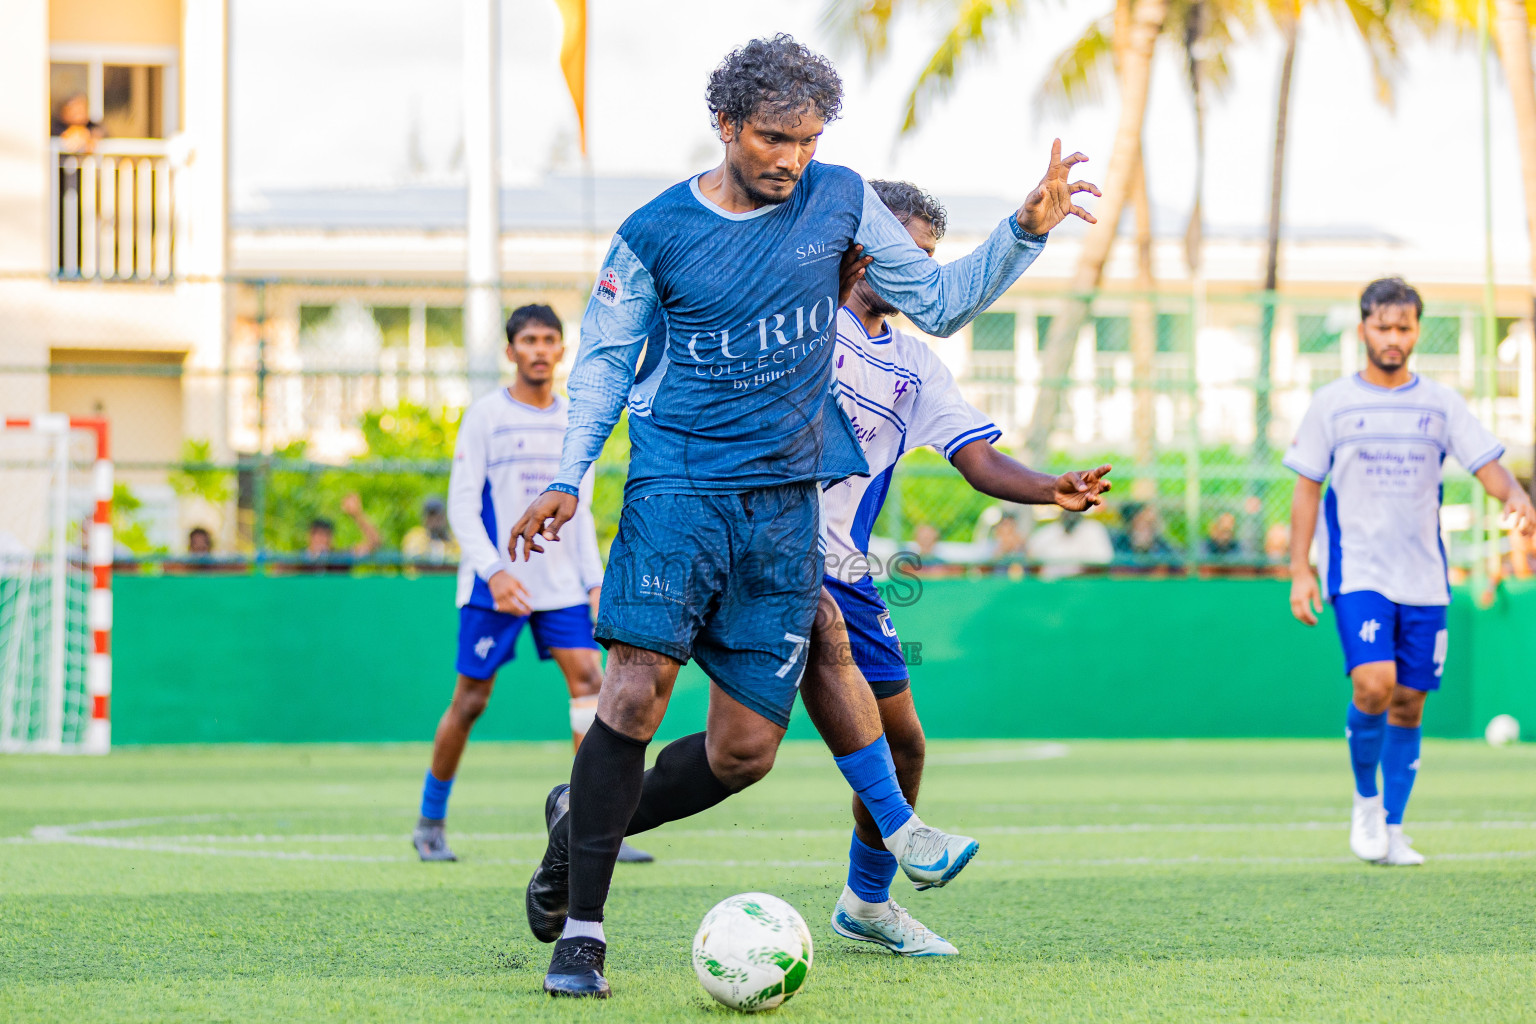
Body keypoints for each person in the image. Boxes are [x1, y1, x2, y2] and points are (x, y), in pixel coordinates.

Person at [508, 35, 1099, 998]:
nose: (792, 158)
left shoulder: (843, 197)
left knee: (745, 753)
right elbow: (608, 363)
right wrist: (571, 475)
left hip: (786, 505)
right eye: (775, 138)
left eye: (810, 141)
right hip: (677, 494)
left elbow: (941, 304)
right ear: (727, 124)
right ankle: (584, 930)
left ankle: (574, 822)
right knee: (633, 693)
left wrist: (1024, 230)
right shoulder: (653, 232)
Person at [819, 179, 1111, 955]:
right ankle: (591, 819)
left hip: (846, 571)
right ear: (860, 249)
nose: (921, 276)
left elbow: (975, 459)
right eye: (906, 256)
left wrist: (1051, 488)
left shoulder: (915, 362)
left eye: (929, 262)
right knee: (737, 753)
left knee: (905, 741)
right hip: (763, 552)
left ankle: (868, 903)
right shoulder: (802, 321)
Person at [1286, 277, 1536, 867]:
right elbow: (1304, 491)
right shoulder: (1332, 403)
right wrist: (1301, 569)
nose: (1393, 338)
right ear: (1362, 329)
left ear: (1417, 330)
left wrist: (1517, 498)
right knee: (1373, 683)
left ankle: (1393, 828)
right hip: (1357, 571)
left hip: (1425, 576)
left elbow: (1488, 465)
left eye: (1404, 328)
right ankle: (1366, 804)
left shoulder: (1441, 403)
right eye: (1382, 327)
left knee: (1409, 703)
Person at [412, 305, 650, 865]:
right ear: (511, 350)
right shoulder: (486, 416)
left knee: (592, 686)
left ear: (561, 351)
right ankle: (430, 820)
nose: (540, 350)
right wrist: (494, 572)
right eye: (529, 340)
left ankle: (595, 830)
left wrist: (594, 584)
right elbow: (462, 506)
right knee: (470, 701)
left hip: (562, 586)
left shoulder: (576, 420)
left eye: (549, 340)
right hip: (495, 587)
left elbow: (582, 511)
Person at [1026, 508, 1113, 579]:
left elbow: (1100, 565)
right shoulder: (1046, 533)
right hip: (1050, 587)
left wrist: (1070, 580)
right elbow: (1033, 565)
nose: (1070, 514)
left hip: (1083, 586)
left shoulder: (1094, 530)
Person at [305, 494, 380, 565]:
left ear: (331, 539)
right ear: (309, 537)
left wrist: (357, 515)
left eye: (325, 535)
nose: (320, 539)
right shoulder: (298, 562)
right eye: (317, 534)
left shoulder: (339, 558)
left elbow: (374, 542)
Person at [402, 497, 460, 564]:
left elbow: (458, 559)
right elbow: (413, 557)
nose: (435, 520)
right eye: (431, 516)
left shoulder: (454, 537)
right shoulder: (415, 535)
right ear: (424, 518)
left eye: (438, 517)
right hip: (422, 574)